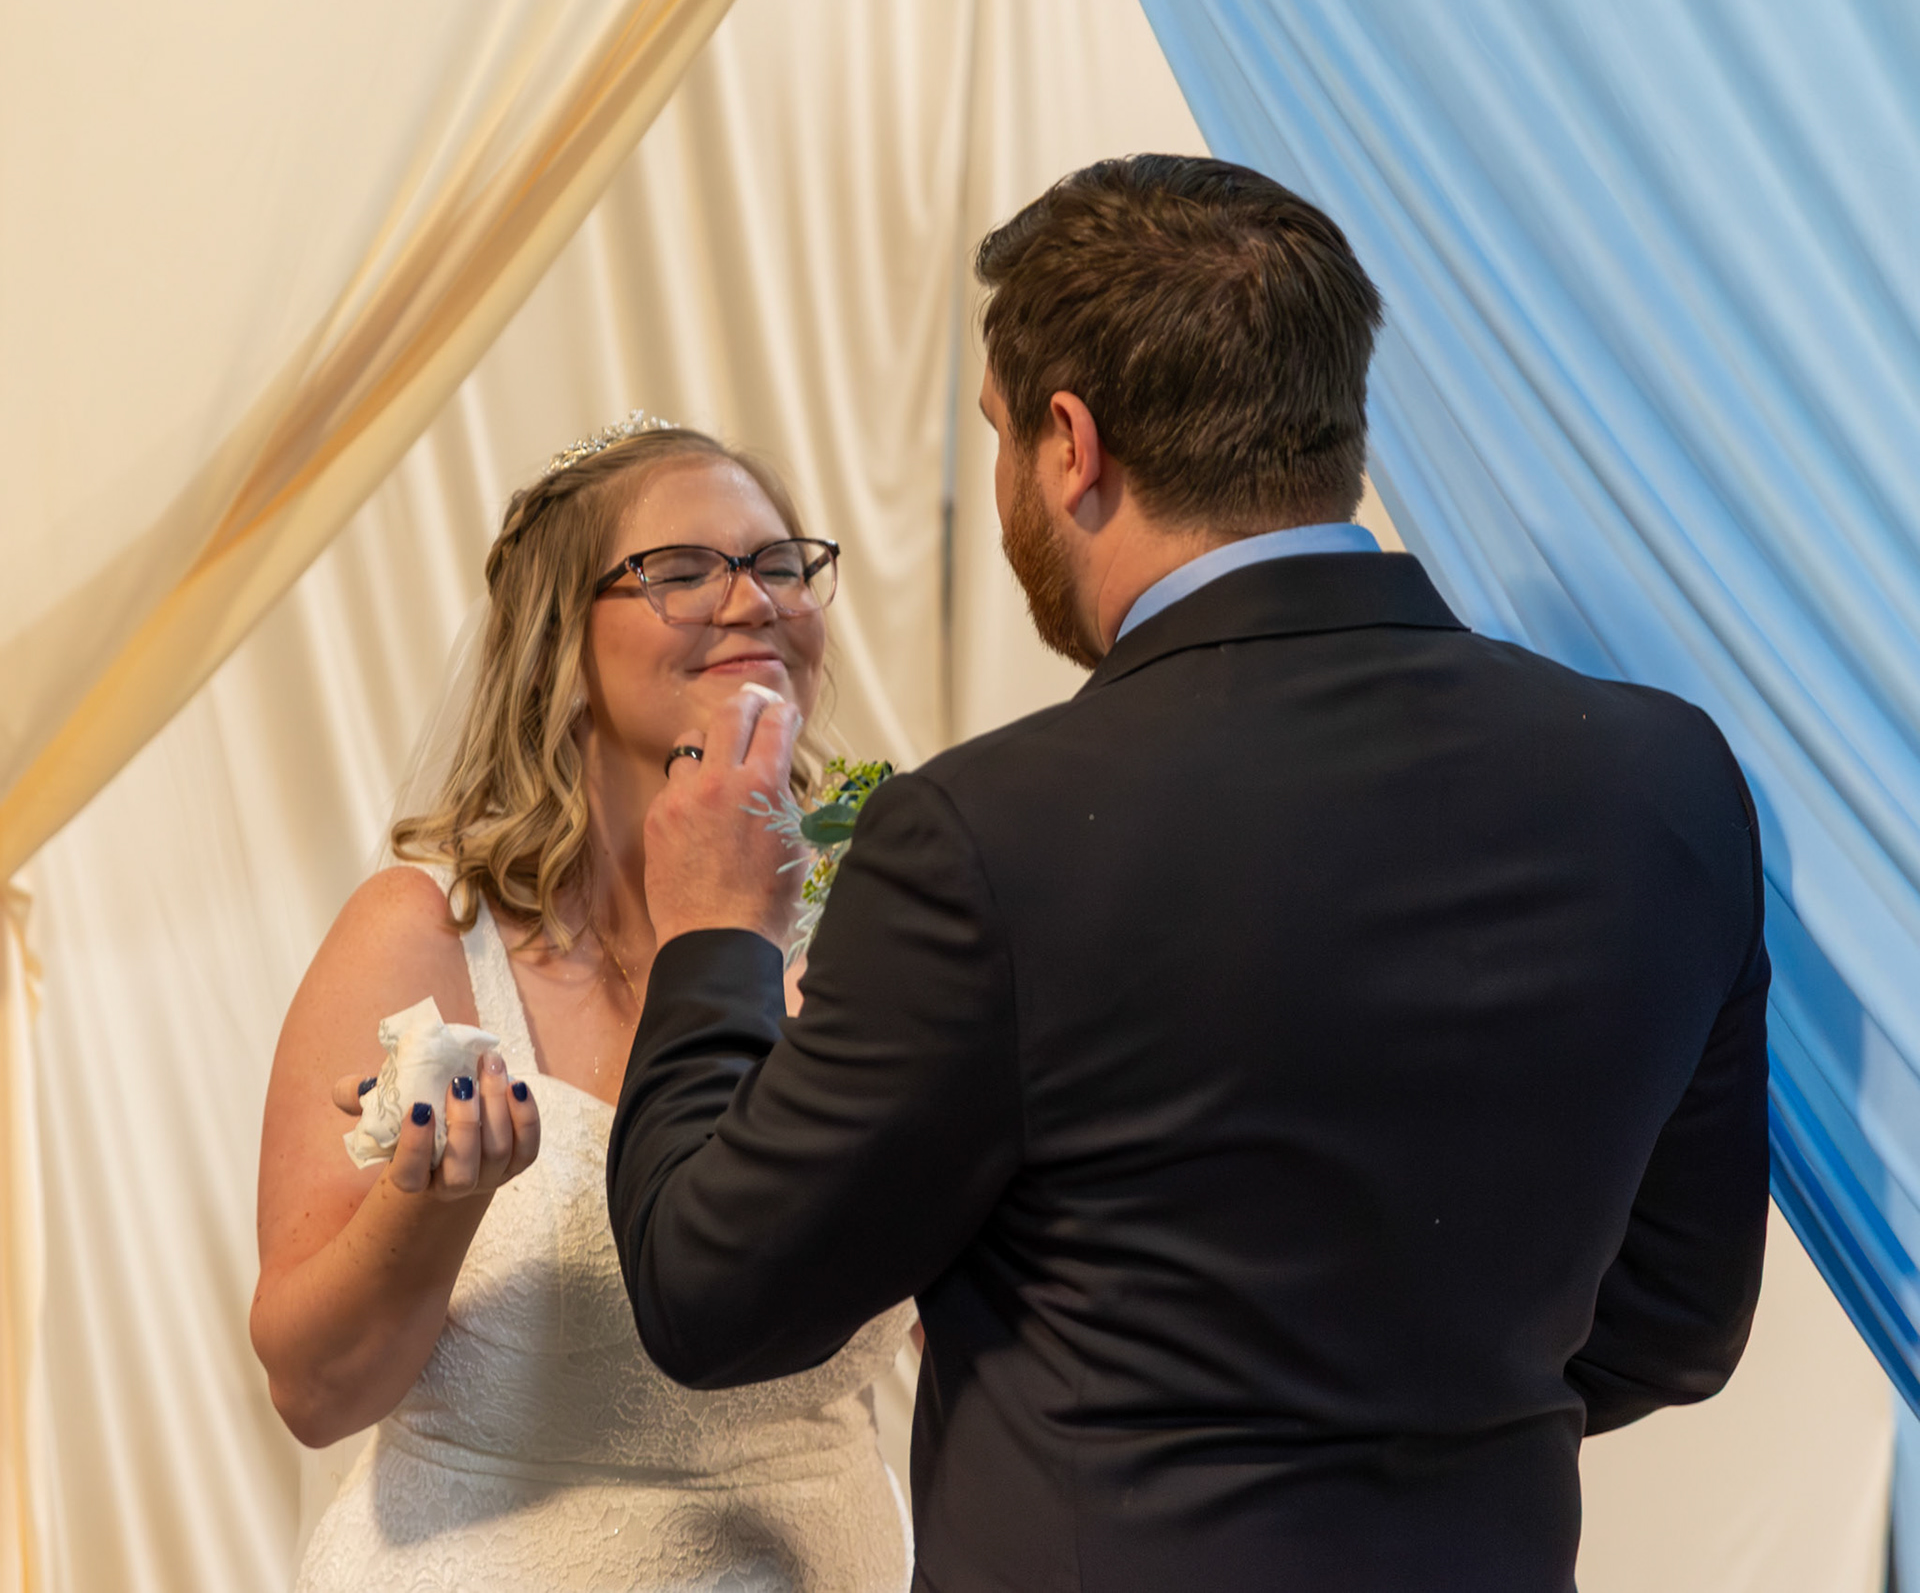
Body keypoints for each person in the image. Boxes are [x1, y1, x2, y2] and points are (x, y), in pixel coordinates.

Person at [605, 157, 1771, 1593]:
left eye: (1000, 434)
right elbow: (1677, 1320)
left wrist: (713, 937)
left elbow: (710, 1297)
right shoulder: (1666, 782)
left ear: (1071, 442)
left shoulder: (991, 833)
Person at [251, 421, 915, 1593]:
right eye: (682, 570)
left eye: (779, 564)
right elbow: (315, 1393)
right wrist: (432, 1205)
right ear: (561, 637)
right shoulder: (423, 934)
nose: (752, 600)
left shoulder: (892, 930)